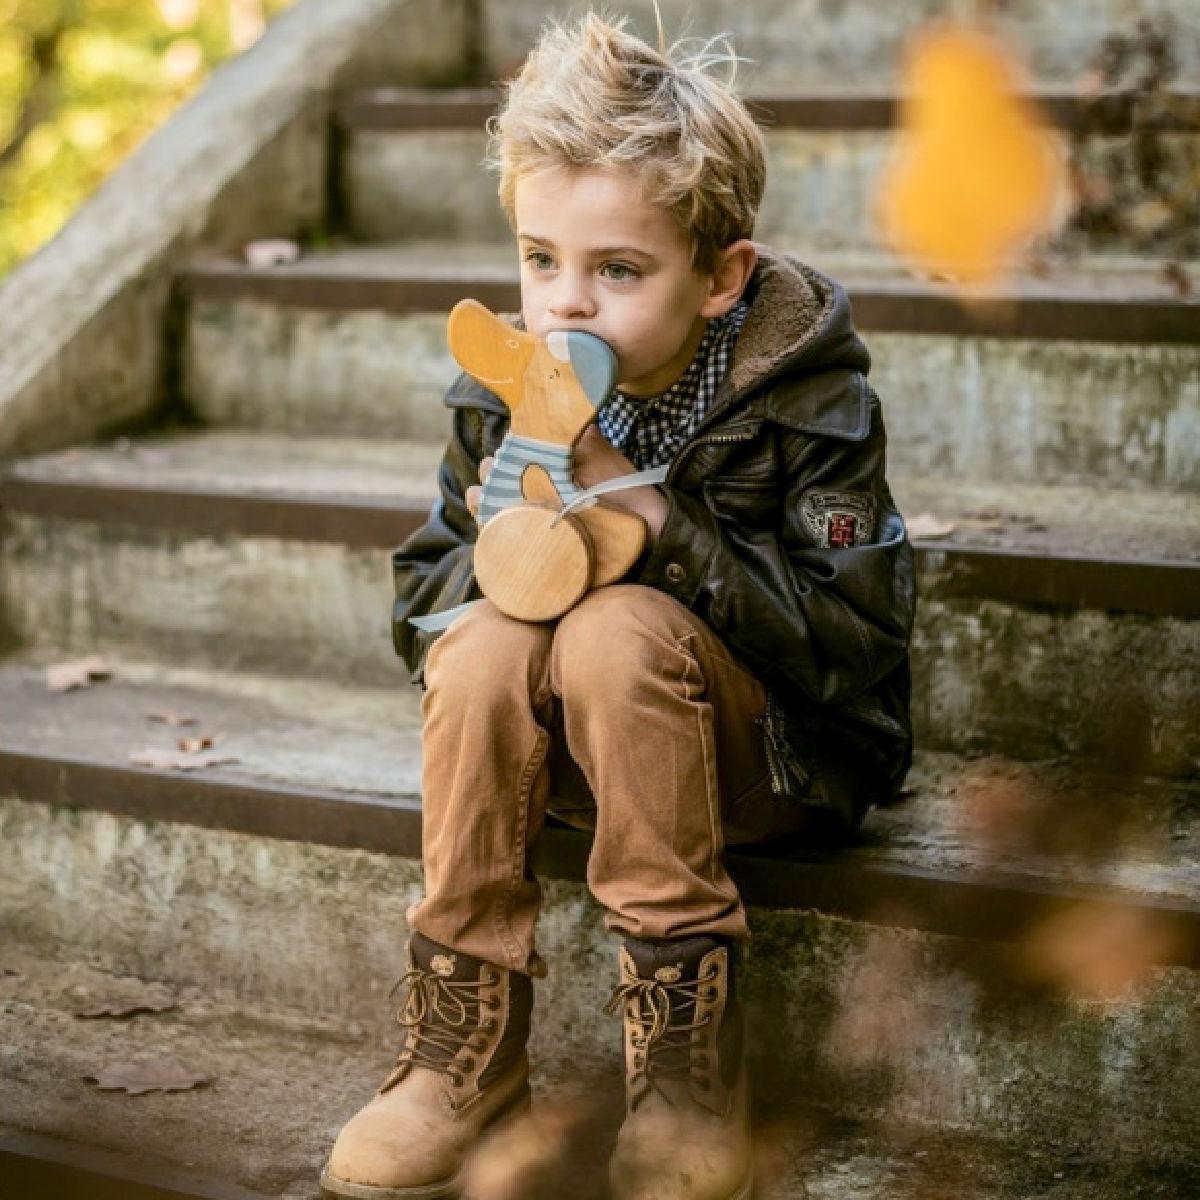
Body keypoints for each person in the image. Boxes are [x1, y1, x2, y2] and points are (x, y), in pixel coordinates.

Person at [321, 11, 915, 1200]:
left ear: (720, 277)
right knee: (485, 640)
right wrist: (503, 555)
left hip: (775, 761)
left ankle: (689, 1061)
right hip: (587, 762)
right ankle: (464, 1042)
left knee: (618, 623)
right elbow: (419, 601)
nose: (565, 306)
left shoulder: (808, 398)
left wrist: (657, 523)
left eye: (617, 270)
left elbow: (853, 650)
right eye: (541, 260)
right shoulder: (507, 388)